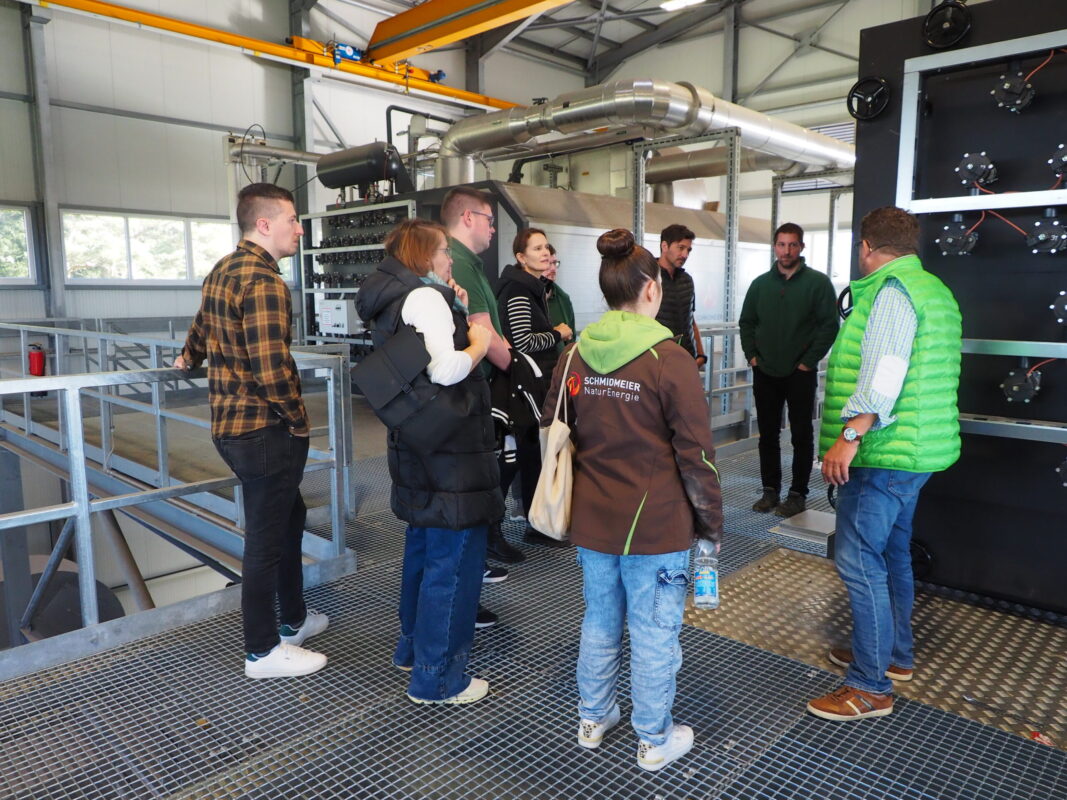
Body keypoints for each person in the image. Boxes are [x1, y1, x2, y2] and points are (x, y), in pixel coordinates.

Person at [542, 228, 723, 772]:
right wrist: (712, 525)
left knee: (599, 620)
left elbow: (553, 429)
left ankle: (593, 719)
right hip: (656, 528)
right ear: (651, 291)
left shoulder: (574, 354)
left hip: (593, 522)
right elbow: (699, 457)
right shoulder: (669, 360)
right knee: (653, 632)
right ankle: (653, 739)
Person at [807, 207, 961, 721]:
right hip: (916, 453)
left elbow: (885, 374)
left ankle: (869, 687)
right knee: (892, 552)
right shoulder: (934, 290)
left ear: (867, 246)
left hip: (883, 454)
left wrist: (849, 437)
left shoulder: (893, 292)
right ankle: (894, 655)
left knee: (859, 561)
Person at [175, 183, 327, 679]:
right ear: (264, 225)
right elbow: (271, 368)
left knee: (289, 517)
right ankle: (262, 652)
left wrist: (188, 356)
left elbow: (202, 326)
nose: (300, 228)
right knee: (266, 540)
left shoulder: (223, 269)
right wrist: (298, 421)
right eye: (292, 219)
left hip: (232, 426)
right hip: (263, 429)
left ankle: (294, 622)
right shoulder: (264, 282)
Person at [355, 218, 504, 705]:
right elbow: (445, 368)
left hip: (417, 443)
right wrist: (478, 338)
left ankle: (414, 650)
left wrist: (455, 305)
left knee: (423, 550)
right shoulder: (424, 297)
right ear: (424, 255)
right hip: (450, 452)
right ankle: (439, 679)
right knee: (455, 562)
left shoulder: (393, 297)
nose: (449, 260)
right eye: (443, 252)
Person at [441, 187, 525, 569]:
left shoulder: (469, 263)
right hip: (473, 387)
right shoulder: (456, 260)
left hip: (480, 383)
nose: (493, 229)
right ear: (469, 218)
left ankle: (485, 541)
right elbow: (483, 333)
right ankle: (478, 553)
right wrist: (519, 369)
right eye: (490, 220)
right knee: (476, 475)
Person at [738, 222, 838, 518]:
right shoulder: (760, 285)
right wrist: (752, 356)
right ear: (774, 247)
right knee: (767, 434)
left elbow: (829, 325)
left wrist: (809, 361)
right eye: (781, 244)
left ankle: (797, 494)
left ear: (802, 247)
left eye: (792, 245)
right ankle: (770, 491)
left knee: (801, 434)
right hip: (765, 371)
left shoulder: (817, 284)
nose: (786, 250)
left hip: (800, 373)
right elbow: (747, 322)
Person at [496, 228, 573, 548]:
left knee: (530, 457)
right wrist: (557, 334)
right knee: (519, 459)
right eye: (537, 248)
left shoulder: (533, 288)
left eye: (546, 248)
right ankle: (498, 531)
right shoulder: (518, 290)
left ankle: (535, 524)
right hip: (523, 386)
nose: (545, 253)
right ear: (521, 257)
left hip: (533, 383)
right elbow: (522, 342)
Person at [654, 224, 707, 367]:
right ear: (664, 246)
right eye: (681, 248)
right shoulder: (648, 279)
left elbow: (691, 319)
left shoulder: (687, 280)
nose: (685, 255)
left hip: (688, 360)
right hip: (659, 362)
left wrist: (701, 355)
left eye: (688, 250)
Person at [543, 243, 576, 353]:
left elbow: (572, 341)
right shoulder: (519, 294)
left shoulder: (563, 299)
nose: (553, 269)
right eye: (548, 263)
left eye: (555, 263)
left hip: (559, 364)